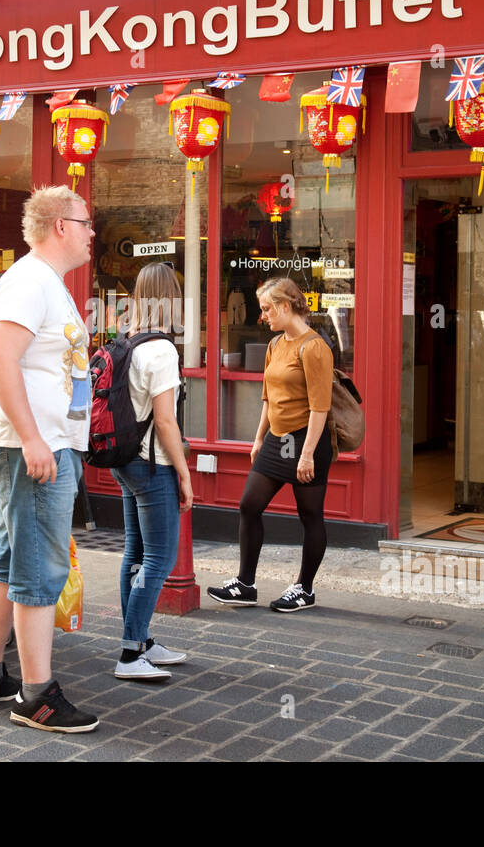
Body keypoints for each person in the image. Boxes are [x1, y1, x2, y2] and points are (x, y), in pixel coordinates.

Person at [0, 185, 99, 732]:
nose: (93, 233)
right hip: (32, 448)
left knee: (12, 557)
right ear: (61, 225)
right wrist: (35, 438)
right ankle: (36, 695)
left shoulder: (47, 283)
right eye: (86, 222)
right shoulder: (27, 281)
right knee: (42, 567)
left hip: (41, 443)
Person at [208, 276, 333, 612]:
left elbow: (321, 406)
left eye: (266, 309)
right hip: (277, 441)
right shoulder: (276, 345)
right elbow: (268, 397)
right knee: (249, 505)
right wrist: (259, 438)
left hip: (307, 440)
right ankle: (245, 585)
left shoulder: (314, 347)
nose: (262, 316)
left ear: (284, 306)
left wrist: (307, 454)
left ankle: (304, 589)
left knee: (310, 515)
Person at [110, 262, 194, 680]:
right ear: (171, 298)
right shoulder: (161, 349)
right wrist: (184, 472)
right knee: (160, 558)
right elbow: (165, 421)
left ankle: (139, 641)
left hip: (124, 461)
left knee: (136, 553)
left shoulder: (125, 340)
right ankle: (129, 656)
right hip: (152, 464)